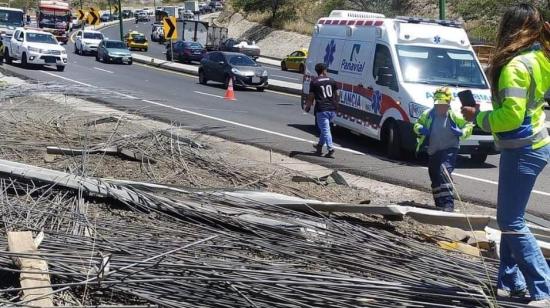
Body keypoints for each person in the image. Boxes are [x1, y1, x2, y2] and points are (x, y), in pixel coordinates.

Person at [461, 3, 550, 306]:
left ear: (509, 28)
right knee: (513, 218)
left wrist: (478, 117)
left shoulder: (514, 67)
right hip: (534, 146)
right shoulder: (539, 57)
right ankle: (510, 282)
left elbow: (510, 117)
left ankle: (544, 288)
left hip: (522, 149)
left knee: (510, 220)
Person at [413, 87, 473, 212]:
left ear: (449, 103)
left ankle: (448, 205)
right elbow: (417, 124)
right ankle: (439, 204)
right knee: (434, 174)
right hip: (434, 150)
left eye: (443, 105)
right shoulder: (428, 115)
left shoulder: (454, 115)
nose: (440, 107)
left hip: (450, 148)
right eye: (437, 105)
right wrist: (421, 129)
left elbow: (468, 125)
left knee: (443, 172)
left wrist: (462, 132)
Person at [304, 63, 339, 158]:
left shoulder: (315, 82)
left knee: (325, 129)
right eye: (326, 70)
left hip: (321, 109)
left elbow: (311, 96)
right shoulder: (332, 80)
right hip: (332, 109)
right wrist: (337, 105)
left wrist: (308, 106)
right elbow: (337, 94)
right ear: (323, 70)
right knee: (325, 129)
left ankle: (330, 148)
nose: (327, 71)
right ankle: (319, 146)